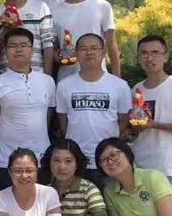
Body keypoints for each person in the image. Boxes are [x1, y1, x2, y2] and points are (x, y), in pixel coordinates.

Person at [0, 28, 56, 193]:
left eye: (23, 45)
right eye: (13, 46)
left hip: (41, 158)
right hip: (6, 159)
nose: (18, 50)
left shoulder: (48, 82)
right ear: (5, 51)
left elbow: (47, 116)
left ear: (32, 49)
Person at [56, 34, 131, 187]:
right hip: (76, 160)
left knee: (109, 201)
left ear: (103, 53)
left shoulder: (120, 85)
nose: (89, 52)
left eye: (94, 48)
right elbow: (63, 121)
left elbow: (124, 120)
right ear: (76, 54)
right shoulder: (64, 85)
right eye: (84, 49)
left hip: (108, 160)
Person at [129, 35, 172, 198]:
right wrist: (136, 127)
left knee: (170, 213)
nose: (149, 57)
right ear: (138, 58)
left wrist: (153, 125)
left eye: (155, 52)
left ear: (166, 57)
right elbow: (135, 130)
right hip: (140, 166)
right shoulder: (136, 89)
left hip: (167, 167)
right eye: (144, 53)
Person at [52, 0, 120, 80]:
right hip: (67, 79)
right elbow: (52, 49)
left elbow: (112, 44)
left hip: (99, 79)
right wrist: (62, 57)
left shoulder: (102, 6)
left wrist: (118, 79)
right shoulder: (54, 11)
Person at [0, 148, 62, 216]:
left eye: (29, 171)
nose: (24, 176)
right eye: (18, 171)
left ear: (37, 171)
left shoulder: (50, 194)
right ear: (9, 172)